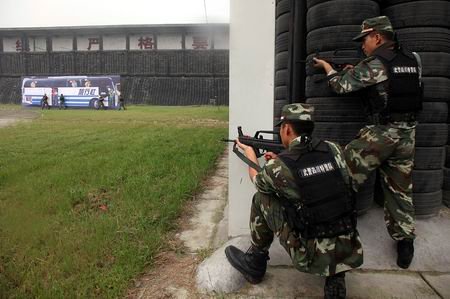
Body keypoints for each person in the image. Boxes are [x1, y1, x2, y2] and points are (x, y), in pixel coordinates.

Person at [313, 16, 421, 269]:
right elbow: (392, 86)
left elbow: (340, 86)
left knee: (339, 175)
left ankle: (330, 234)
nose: (362, 45)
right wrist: (359, 70)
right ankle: (405, 243)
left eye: (365, 39)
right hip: (408, 134)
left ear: (378, 37)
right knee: (399, 191)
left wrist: (329, 69)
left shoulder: (375, 63)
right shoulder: (412, 60)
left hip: (381, 135)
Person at [225, 103, 363, 299]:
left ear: (287, 128)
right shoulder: (333, 149)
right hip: (348, 246)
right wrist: (281, 160)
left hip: (309, 254)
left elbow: (257, 179)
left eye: (281, 128)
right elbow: (318, 178)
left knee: (262, 198)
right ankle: (336, 277)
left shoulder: (279, 167)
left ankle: (255, 263)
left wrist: (250, 156)